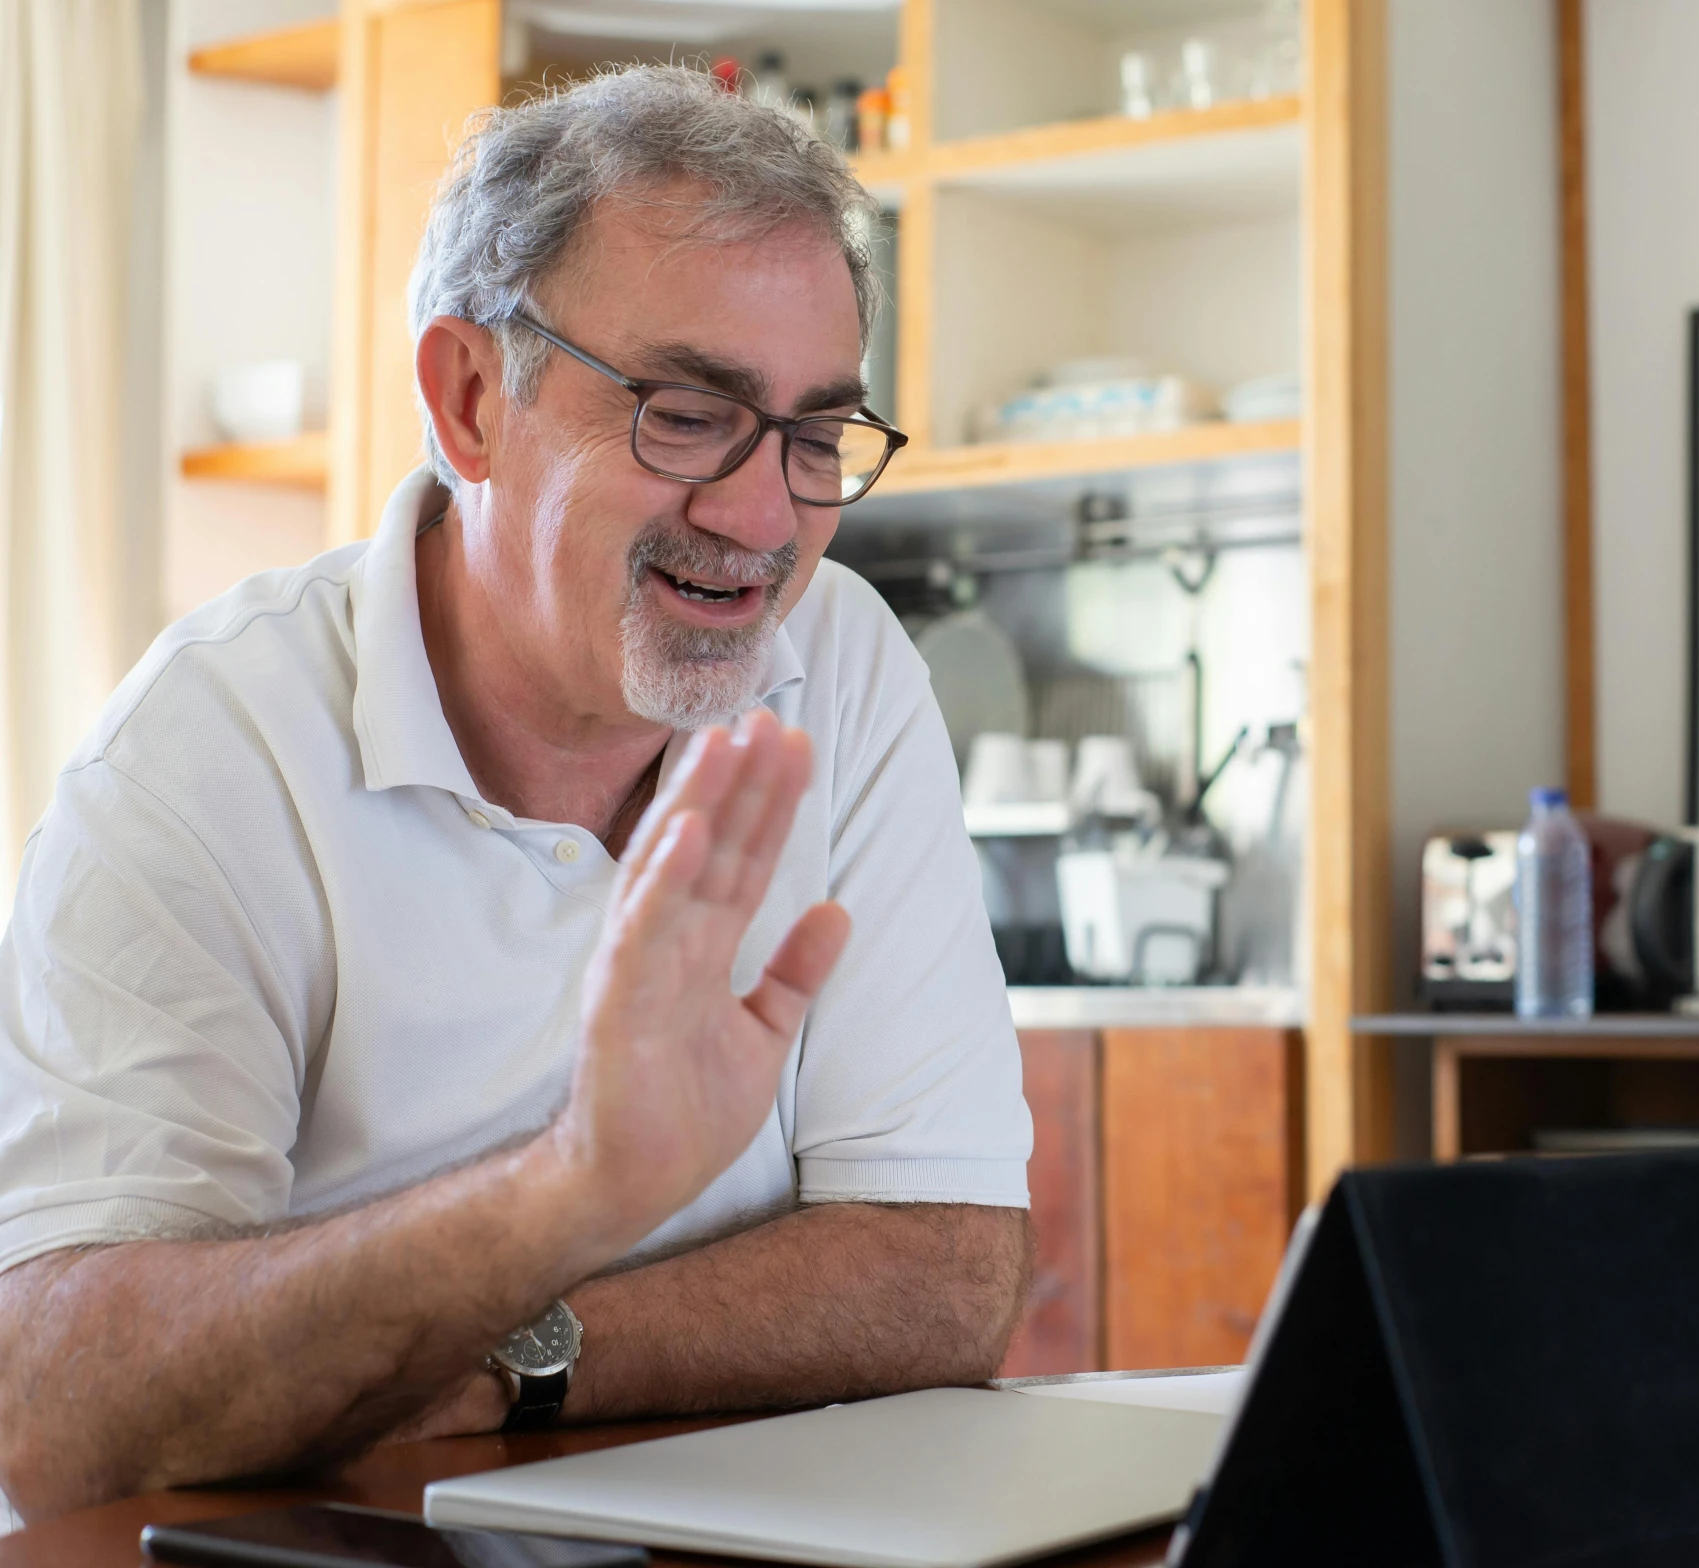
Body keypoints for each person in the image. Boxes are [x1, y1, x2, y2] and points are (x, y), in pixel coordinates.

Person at [0, 65, 1032, 1521]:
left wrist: (515, 1354)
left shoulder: (844, 662)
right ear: (472, 399)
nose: (761, 521)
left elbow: (946, 1266)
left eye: (815, 437)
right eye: (688, 412)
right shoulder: (204, 753)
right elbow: (65, 1420)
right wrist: (569, 1191)